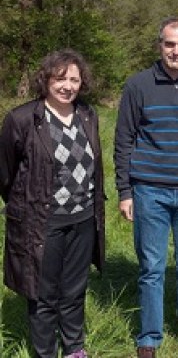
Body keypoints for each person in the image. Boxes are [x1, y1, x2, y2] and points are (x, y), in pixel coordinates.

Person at [114, 17, 178, 358]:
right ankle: (149, 338)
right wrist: (125, 192)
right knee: (151, 269)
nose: (176, 50)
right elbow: (124, 139)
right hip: (149, 192)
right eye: (170, 44)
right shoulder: (138, 85)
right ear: (160, 45)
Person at [0, 49, 105, 358]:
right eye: (60, 79)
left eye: (74, 79)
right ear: (45, 79)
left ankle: (74, 349)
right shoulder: (22, 119)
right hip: (42, 222)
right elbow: (5, 174)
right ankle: (45, 352)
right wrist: (25, 204)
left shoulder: (88, 114)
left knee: (74, 290)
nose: (67, 86)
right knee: (43, 295)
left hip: (83, 219)